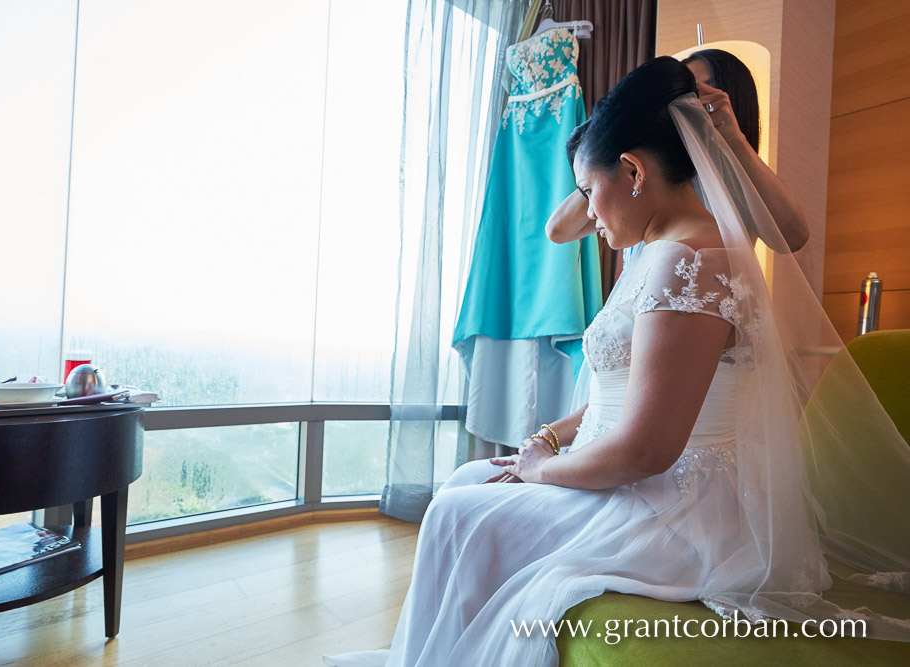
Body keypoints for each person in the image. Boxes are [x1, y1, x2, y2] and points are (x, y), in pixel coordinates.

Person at [325, 57, 910, 667]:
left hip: (678, 506)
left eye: (587, 190)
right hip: (638, 472)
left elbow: (649, 449)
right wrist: (547, 442)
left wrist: (542, 471)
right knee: (467, 483)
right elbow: (621, 390)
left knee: (458, 508)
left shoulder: (687, 262)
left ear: (632, 169)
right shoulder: (663, 250)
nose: (589, 213)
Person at [546, 48, 808, 256]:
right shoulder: (651, 176)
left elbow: (793, 238)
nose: (687, 106)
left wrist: (734, 139)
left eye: (697, 94)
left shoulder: (741, 177)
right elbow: (557, 230)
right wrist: (610, 152)